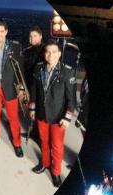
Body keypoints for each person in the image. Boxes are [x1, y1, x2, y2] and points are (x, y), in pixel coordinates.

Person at [29, 40, 76, 187]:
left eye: (54, 52)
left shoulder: (67, 72)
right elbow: (34, 90)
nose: (51, 55)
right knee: (44, 141)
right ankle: (44, 163)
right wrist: (32, 108)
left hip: (58, 116)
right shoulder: (38, 68)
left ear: (59, 54)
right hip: (42, 114)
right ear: (44, 54)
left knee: (56, 145)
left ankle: (55, 172)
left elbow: (71, 99)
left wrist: (67, 118)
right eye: (48, 52)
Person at [0, 20, 24, 157]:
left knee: (13, 118)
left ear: (6, 32)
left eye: (2, 31)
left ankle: (17, 144)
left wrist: (21, 89)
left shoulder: (15, 46)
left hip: (10, 87)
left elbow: (20, 70)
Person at [22, 26, 44, 90]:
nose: (32, 38)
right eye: (30, 36)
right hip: (27, 84)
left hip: (40, 85)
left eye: (35, 36)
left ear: (40, 36)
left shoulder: (46, 50)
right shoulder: (26, 51)